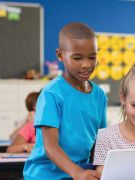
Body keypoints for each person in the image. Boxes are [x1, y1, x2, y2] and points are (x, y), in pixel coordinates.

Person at [23, 22, 107, 180]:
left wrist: (101, 169)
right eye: (77, 58)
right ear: (60, 55)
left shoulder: (100, 95)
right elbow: (51, 147)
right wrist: (77, 173)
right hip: (45, 175)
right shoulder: (51, 94)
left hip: (80, 172)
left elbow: (99, 141)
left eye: (92, 57)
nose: (86, 64)